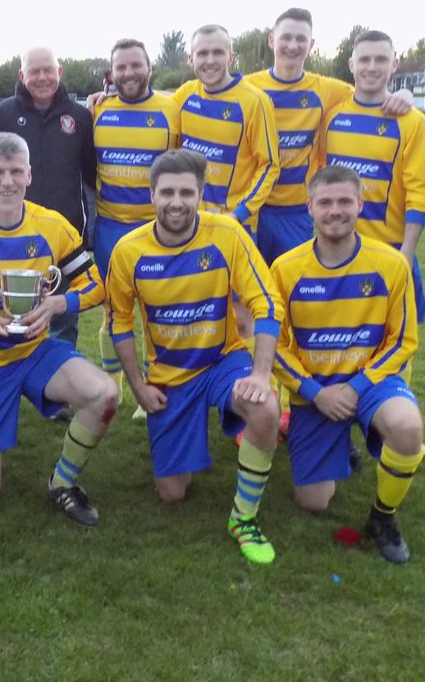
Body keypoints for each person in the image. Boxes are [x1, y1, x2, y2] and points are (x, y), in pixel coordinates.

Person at [0, 132, 119, 526]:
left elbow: (97, 286)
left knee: (104, 393)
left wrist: (56, 304)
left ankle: (62, 482)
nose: (7, 181)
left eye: (16, 171)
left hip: (34, 353)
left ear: (30, 175)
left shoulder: (52, 226)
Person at [106, 149, 282, 564]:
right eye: (167, 192)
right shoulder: (128, 250)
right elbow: (118, 322)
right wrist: (138, 386)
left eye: (187, 192)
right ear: (152, 195)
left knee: (266, 407)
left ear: (201, 194)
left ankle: (243, 517)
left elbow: (267, 303)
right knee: (171, 493)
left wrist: (260, 373)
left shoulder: (226, 233)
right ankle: (201, 435)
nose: (176, 202)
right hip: (169, 375)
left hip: (223, 361)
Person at [270, 165, 425, 563]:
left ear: (360, 204)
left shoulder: (391, 265)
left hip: (371, 382)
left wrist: (355, 387)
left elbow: (403, 341)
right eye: (325, 202)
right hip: (315, 390)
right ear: (310, 207)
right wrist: (313, 393)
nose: (335, 210)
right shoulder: (286, 269)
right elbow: (274, 347)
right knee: (314, 503)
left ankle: (382, 518)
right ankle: (339, 443)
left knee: (407, 428)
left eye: (344, 201)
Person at [247, 8, 416, 267]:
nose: (293, 45)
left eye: (301, 39)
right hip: (250, 208)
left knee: (291, 289)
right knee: (240, 293)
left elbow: (369, 92)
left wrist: (404, 95)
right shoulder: (248, 87)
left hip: (295, 213)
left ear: (311, 45)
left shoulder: (327, 89)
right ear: (272, 40)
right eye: (286, 37)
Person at [0, 47, 96, 345]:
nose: (42, 77)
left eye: (49, 70)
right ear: (22, 75)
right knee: (10, 319)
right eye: (34, 71)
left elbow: (89, 174)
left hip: (64, 238)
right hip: (11, 237)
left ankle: (59, 385)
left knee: (62, 325)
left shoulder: (80, 117)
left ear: (59, 72)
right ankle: (6, 380)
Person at [318, 30, 425, 325]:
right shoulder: (330, 116)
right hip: (336, 248)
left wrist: (406, 252)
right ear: (351, 64)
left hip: (389, 250)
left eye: (381, 59)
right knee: (336, 337)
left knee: (396, 339)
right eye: (364, 59)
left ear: (394, 64)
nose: (372, 67)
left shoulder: (412, 121)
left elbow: (419, 191)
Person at [91, 38, 180, 399]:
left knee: (157, 312)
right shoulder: (97, 109)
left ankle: (152, 384)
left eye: (135, 65)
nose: (129, 73)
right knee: (113, 311)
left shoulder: (173, 108)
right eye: (121, 67)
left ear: (149, 68)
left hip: (157, 230)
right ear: (111, 73)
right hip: (110, 227)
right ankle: (112, 386)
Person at [171, 25, 279, 237]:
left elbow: (270, 166)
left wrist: (239, 213)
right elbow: (154, 107)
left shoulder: (255, 101)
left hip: (236, 224)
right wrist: (107, 94)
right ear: (191, 59)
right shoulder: (185, 95)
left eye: (218, 52)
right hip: (189, 221)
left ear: (230, 57)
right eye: (202, 53)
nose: (210, 60)